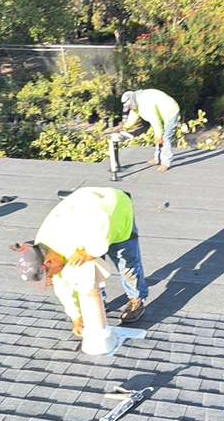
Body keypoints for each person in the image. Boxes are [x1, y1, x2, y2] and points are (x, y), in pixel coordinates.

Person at [16, 187, 148, 336]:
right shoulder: (44, 251)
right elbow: (63, 288)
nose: (51, 280)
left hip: (114, 207)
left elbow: (102, 218)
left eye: (50, 276)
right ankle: (98, 300)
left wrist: (92, 251)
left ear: (50, 262)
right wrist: (76, 317)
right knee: (90, 270)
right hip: (85, 208)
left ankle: (137, 299)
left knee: (127, 263)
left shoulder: (75, 238)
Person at [121, 88, 180, 172]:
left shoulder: (145, 104)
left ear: (132, 102)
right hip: (161, 113)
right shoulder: (135, 102)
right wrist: (124, 127)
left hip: (170, 111)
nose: (130, 108)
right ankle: (157, 159)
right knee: (158, 137)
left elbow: (155, 122)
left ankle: (166, 163)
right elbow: (132, 118)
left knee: (165, 138)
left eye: (129, 106)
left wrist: (159, 136)